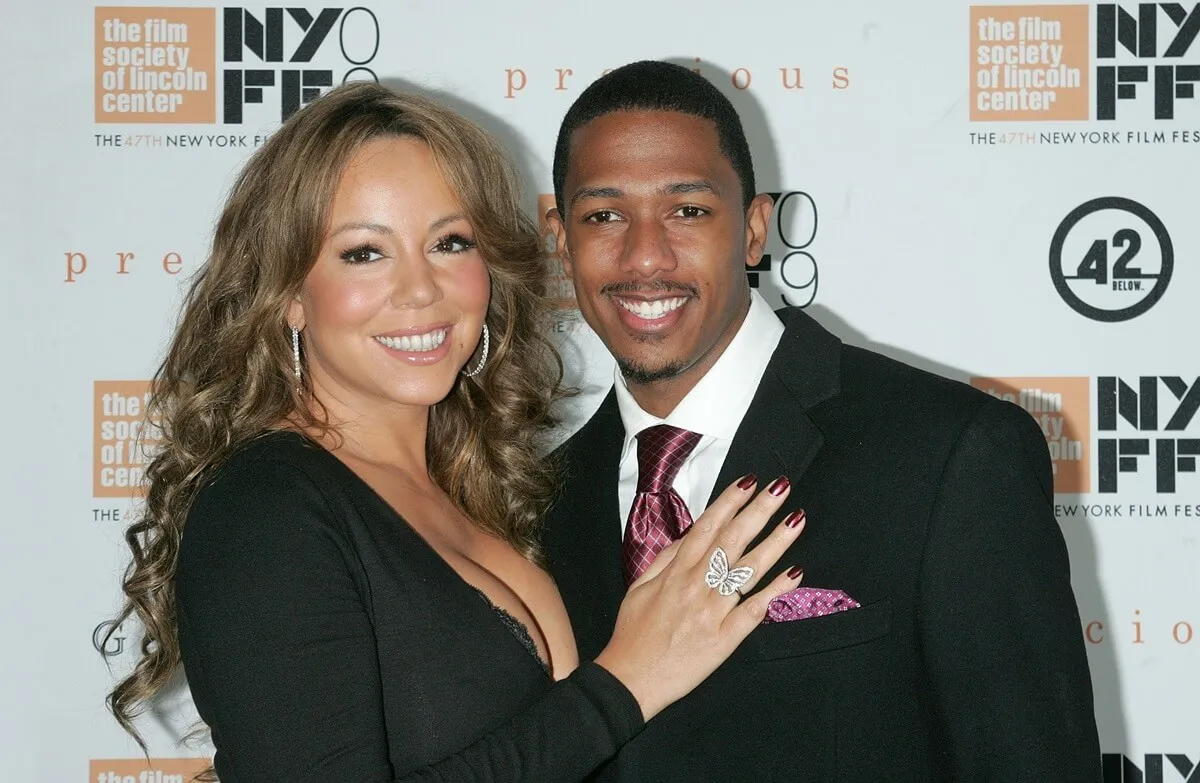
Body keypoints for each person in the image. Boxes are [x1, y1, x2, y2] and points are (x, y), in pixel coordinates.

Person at [103, 81, 810, 782]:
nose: (420, 289)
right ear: (288, 293)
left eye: (448, 242)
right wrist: (624, 684)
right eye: (364, 252)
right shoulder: (268, 508)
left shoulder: (478, 495)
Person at [542, 60, 1103, 781]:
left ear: (752, 230)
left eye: (688, 210)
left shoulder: (949, 455)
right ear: (561, 241)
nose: (645, 255)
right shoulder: (535, 505)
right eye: (604, 215)